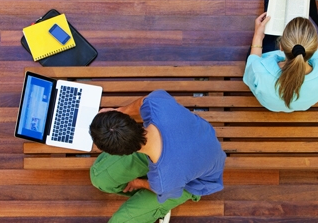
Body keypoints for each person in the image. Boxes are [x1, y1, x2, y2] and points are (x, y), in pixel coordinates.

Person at [89, 89, 227, 223]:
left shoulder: (164, 181)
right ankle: (147, 205)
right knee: (99, 178)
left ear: (121, 154)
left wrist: (137, 183)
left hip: (192, 182)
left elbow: (164, 189)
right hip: (189, 147)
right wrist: (119, 112)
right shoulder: (156, 102)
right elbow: (142, 103)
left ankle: (155, 207)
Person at [243, 0, 318, 112]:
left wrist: (258, 35)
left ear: (280, 46)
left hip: (264, 56)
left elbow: (251, 70)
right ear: (315, 46)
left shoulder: (259, 70)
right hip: (297, 102)